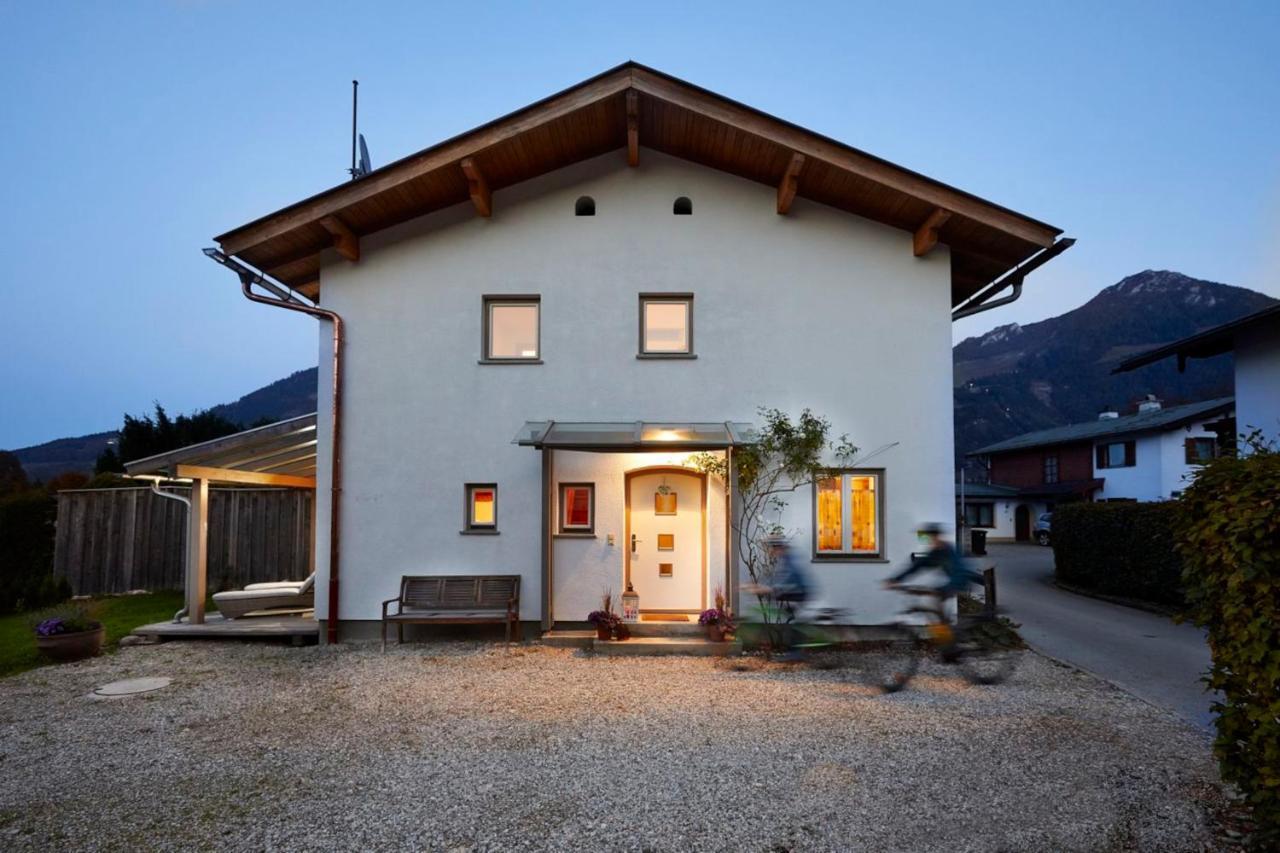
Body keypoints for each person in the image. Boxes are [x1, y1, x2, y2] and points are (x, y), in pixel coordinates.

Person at [884, 523, 984, 657]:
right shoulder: (936, 552)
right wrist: (896, 579)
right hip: (951, 582)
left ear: (937, 537)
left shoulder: (949, 551)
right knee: (936, 609)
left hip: (960, 581)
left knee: (934, 604)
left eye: (931, 538)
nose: (930, 542)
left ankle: (951, 645)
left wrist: (945, 588)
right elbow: (918, 566)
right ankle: (948, 643)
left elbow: (959, 572)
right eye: (927, 539)